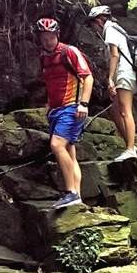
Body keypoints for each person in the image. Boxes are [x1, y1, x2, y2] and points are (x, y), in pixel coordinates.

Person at [36, 17, 94, 208]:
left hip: (71, 107)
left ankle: (70, 192)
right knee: (69, 151)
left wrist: (83, 104)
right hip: (55, 110)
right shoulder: (44, 57)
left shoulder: (69, 52)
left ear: (57, 35)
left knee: (56, 145)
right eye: (44, 37)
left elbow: (88, 78)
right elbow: (50, 82)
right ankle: (77, 196)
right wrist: (48, 104)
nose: (47, 41)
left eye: (50, 37)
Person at [87, 5, 137, 161]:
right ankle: (129, 144)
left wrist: (110, 79)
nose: (93, 29)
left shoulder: (110, 29)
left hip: (124, 74)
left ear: (99, 21)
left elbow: (114, 56)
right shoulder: (116, 29)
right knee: (115, 111)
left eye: (93, 25)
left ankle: (130, 149)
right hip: (123, 74)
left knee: (125, 110)